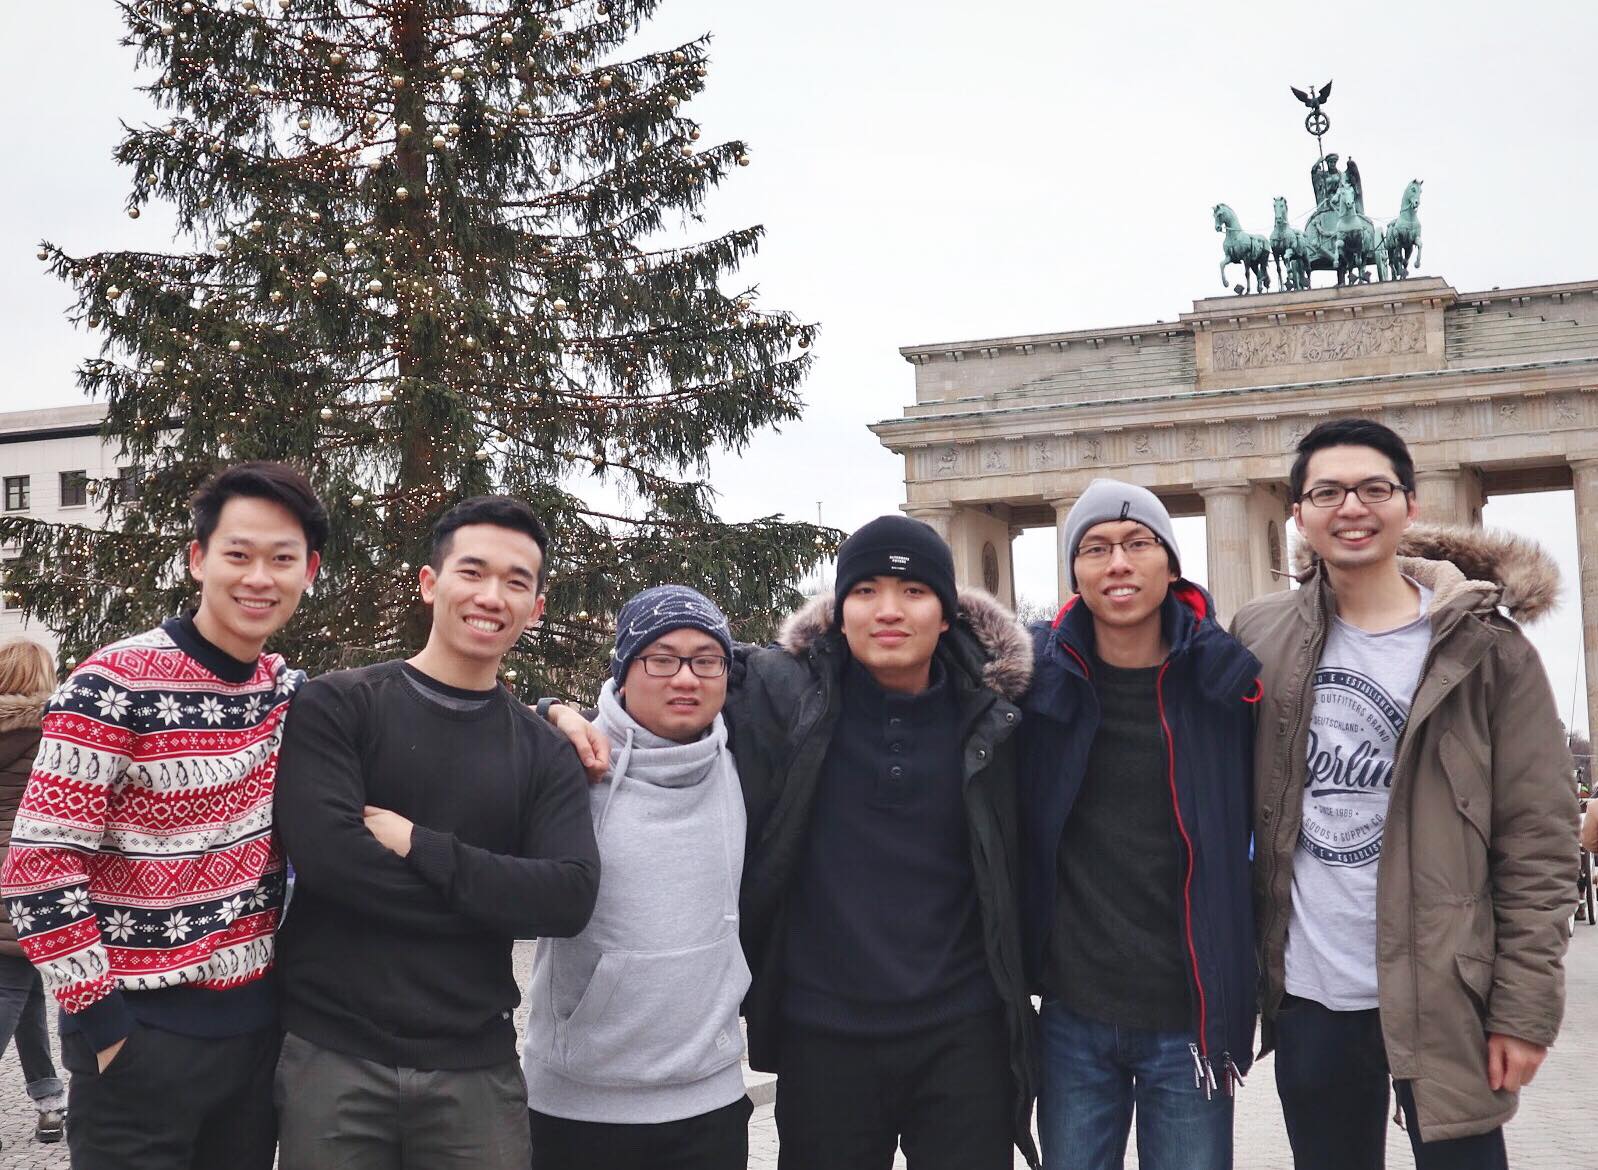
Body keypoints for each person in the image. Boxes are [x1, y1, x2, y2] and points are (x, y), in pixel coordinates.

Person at [552, 514, 1040, 1170]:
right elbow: (662, 684)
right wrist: (556, 714)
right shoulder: (778, 694)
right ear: (839, 613)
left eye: (914, 591)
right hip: (825, 1037)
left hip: (964, 1034)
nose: (888, 610)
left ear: (948, 614)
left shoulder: (1000, 714)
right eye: (865, 590)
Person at [1233, 418, 1577, 1170]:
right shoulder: (1258, 635)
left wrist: (1524, 1010)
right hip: (1313, 995)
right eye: (1327, 492)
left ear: (1410, 504)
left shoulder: (1491, 649)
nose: (1351, 507)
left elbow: (1539, 840)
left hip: (1448, 992)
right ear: (1298, 513)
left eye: (1374, 489)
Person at [0, 461, 326, 1170]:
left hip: (253, 1038)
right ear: (198, 559)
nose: (259, 578)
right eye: (238, 554)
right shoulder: (113, 683)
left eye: (282, 559)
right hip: (137, 1035)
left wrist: (555, 716)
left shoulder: (288, 694)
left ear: (309, 571)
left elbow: (408, 710)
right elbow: (39, 865)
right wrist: (102, 1022)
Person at [272, 494, 601, 1170]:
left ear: (537, 607)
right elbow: (332, 866)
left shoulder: (543, 751)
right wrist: (489, 899)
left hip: (475, 1070)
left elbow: (567, 899)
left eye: (516, 582)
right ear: (430, 583)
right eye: (472, 572)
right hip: (333, 1059)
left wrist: (419, 845)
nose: (491, 596)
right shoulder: (340, 705)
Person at [1018, 480, 1257, 1170]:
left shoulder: (1228, 685)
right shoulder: (1035, 681)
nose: (1117, 562)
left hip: (1189, 1015)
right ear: (1074, 572)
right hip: (1072, 1011)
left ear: (1172, 564)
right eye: (1095, 548)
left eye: (1137, 543)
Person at [523, 585, 753, 1170]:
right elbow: (482, 730)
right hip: (577, 1107)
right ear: (623, 672)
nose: (686, 678)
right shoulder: (569, 761)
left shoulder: (749, 755)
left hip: (711, 1100)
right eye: (661, 659)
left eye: (707, 660)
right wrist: (547, 710)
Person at [0, 638, 68, 1148]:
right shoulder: (53, 733)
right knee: (11, 986)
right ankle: (50, 1101)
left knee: (24, 989)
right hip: (26, 880)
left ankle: (48, 1100)